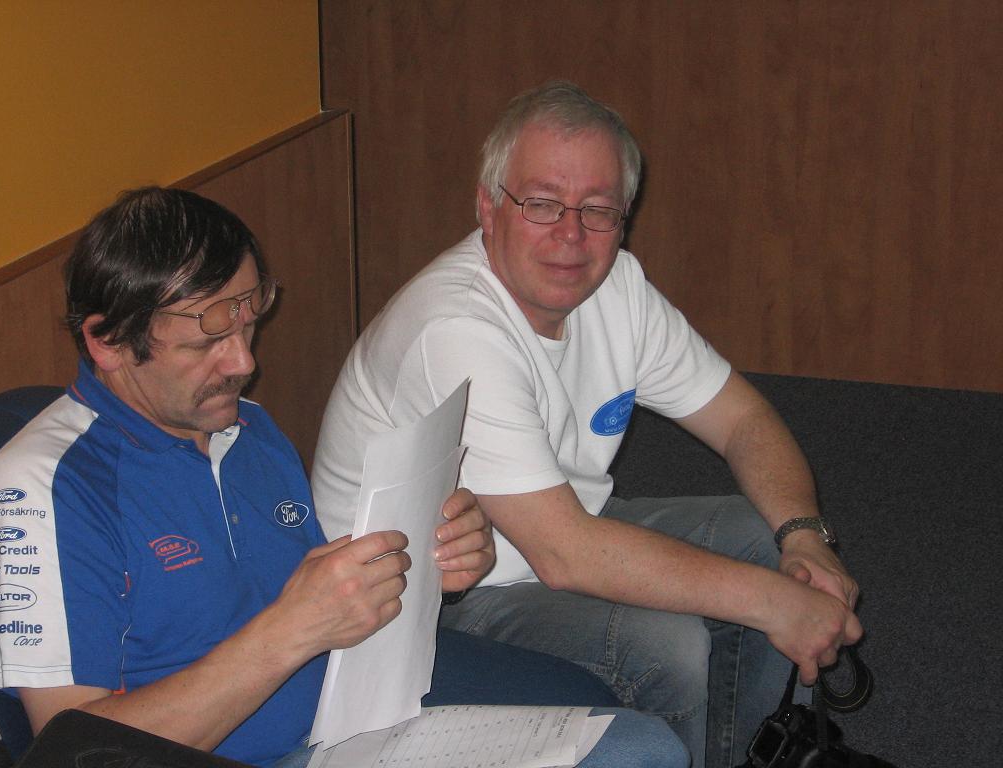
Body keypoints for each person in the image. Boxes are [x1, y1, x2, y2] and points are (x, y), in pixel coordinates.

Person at [0, 187, 687, 768]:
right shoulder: (42, 486)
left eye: (248, 323)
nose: (243, 363)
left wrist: (429, 563)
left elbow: (322, 602)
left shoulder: (249, 432)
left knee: (640, 746)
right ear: (106, 340)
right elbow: (77, 754)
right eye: (207, 341)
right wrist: (293, 629)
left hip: (352, 726)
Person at [311, 81, 864, 768]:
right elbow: (565, 554)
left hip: (560, 527)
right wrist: (776, 604)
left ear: (623, 220)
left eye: (598, 210)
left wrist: (804, 537)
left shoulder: (618, 286)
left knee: (763, 537)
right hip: (434, 597)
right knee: (670, 650)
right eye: (542, 204)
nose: (571, 236)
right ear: (487, 207)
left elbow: (742, 419)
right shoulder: (455, 329)